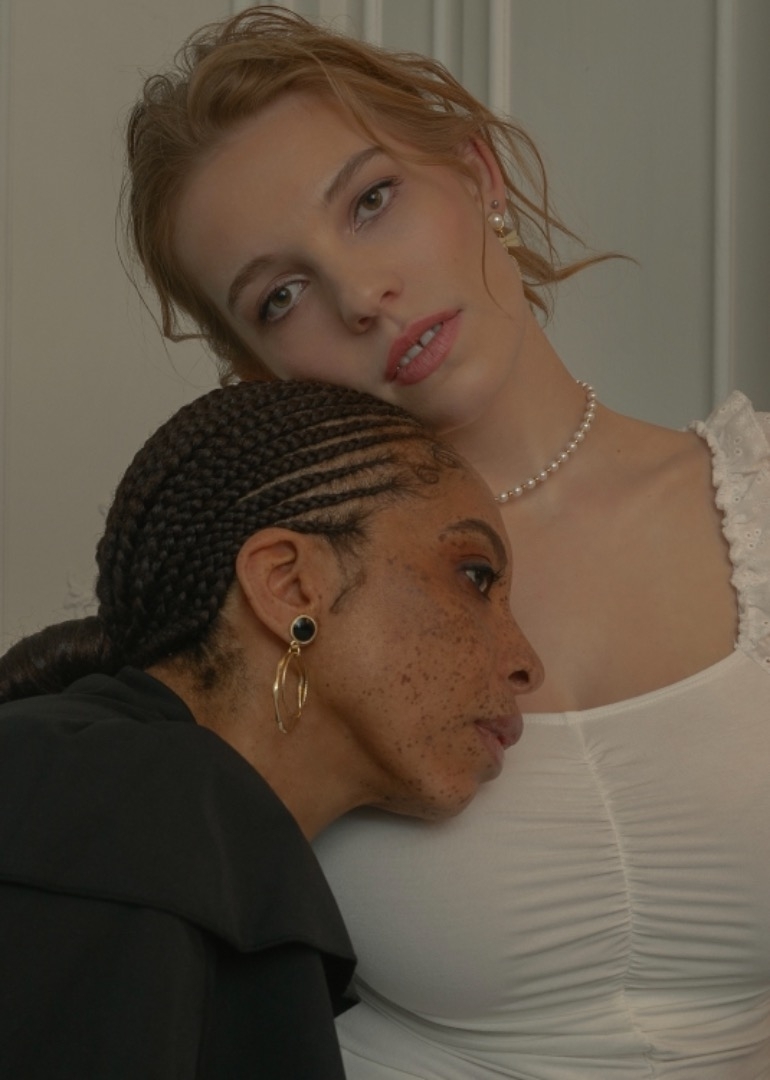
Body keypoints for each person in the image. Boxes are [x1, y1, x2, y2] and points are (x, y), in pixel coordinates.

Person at [122, 6, 770, 1076]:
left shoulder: (756, 502)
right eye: (281, 296)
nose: (360, 296)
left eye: (371, 201)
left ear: (477, 174)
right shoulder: (270, 610)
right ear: (256, 371)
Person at [0, 378, 543, 1079]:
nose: (526, 663)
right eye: (475, 576)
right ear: (289, 585)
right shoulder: (123, 801)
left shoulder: (158, 817)